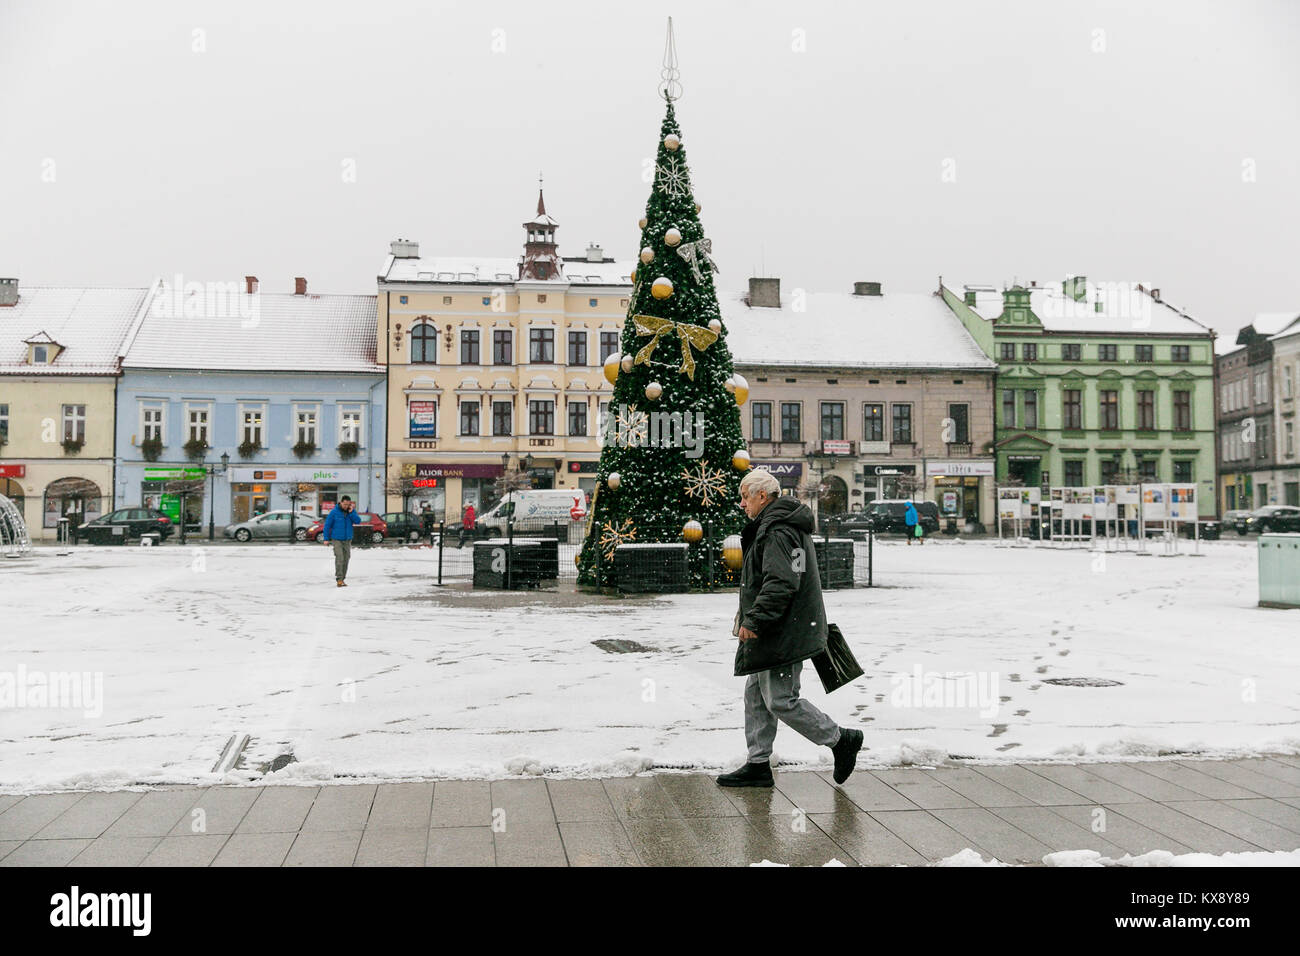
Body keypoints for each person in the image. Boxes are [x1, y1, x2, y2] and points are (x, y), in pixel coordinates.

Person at [716, 469, 864, 789]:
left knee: (781, 699)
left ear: (762, 496)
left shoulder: (778, 530)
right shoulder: (780, 526)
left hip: (782, 629)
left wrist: (754, 620)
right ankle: (758, 764)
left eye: (745, 496)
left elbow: (782, 582)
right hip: (780, 625)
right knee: (756, 695)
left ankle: (840, 740)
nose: (741, 503)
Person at [321, 496, 360, 587]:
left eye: (348, 504)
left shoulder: (351, 512)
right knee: (340, 558)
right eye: (345, 504)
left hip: (347, 539)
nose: (346, 506)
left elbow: (358, 521)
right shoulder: (334, 512)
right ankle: (339, 579)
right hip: (337, 539)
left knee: (346, 559)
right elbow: (327, 526)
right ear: (341, 502)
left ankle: (342, 579)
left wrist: (351, 513)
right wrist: (326, 539)